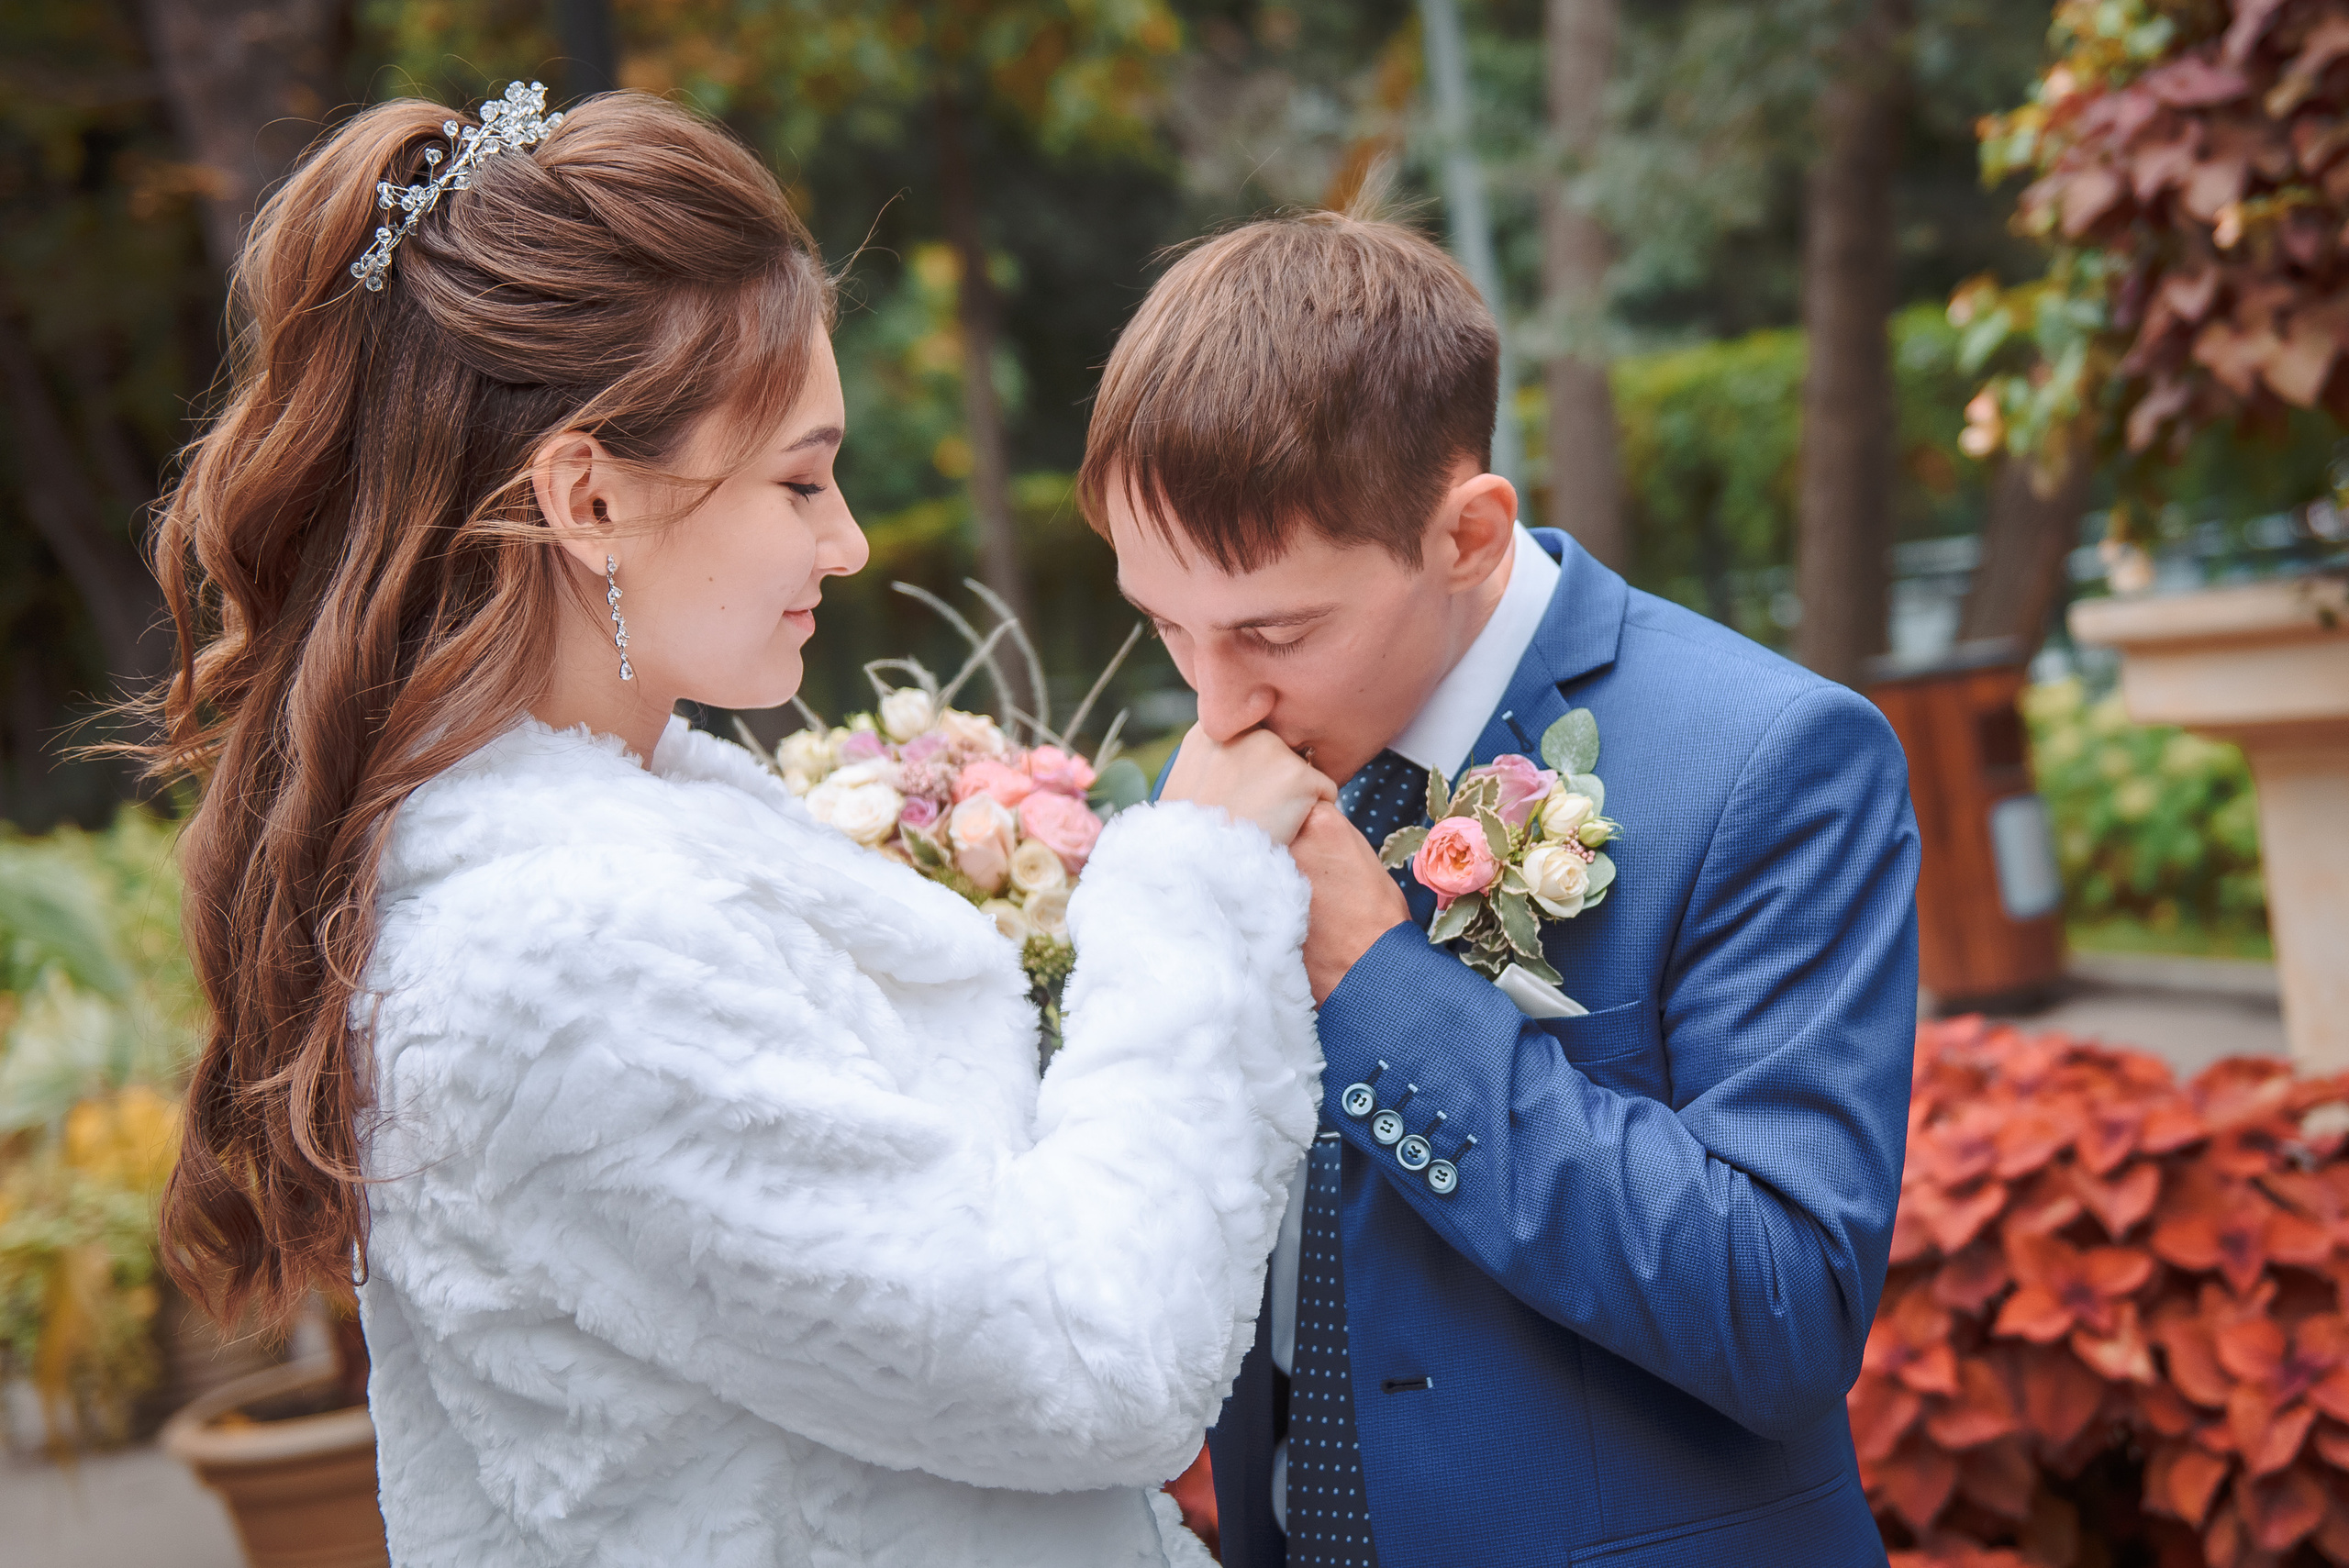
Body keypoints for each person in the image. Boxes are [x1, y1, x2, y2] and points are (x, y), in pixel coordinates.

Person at [147, 87, 1337, 1568]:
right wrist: (1198, 893)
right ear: (587, 496)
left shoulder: (635, 864)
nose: (842, 540)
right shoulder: (560, 957)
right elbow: (1084, 1363)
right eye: (798, 478)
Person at [1082, 211, 1921, 1567]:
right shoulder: (1222, 776)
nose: (1216, 702)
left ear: (1468, 534)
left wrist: (1376, 981)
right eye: (1167, 626)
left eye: (1273, 632)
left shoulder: (1773, 760)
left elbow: (1783, 1309)